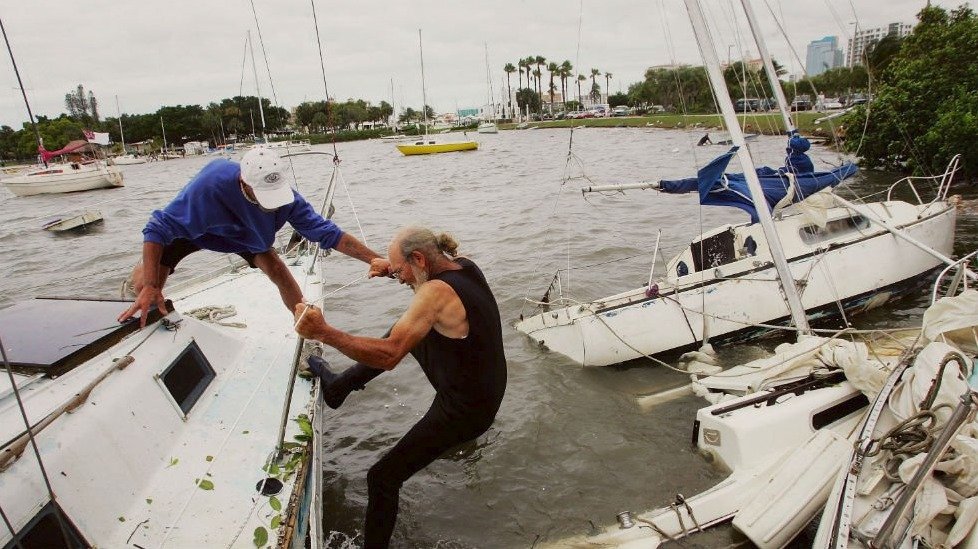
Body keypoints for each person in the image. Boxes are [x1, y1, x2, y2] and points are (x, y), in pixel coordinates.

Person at [293, 227, 507, 548]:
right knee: (404, 327)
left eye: (401, 270)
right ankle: (338, 388)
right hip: (486, 389)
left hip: (465, 411)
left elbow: (390, 356)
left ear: (419, 258)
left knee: (381, 478)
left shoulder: (434, 294)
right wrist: (392, 269)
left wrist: (324, 332)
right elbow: (420, 279)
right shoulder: (464, 265)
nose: (401, 278)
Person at [118, 148, 390, 326]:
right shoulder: (210, 186)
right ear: (243, 182)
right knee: (146, 289)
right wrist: (153, 284)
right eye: (263, 198)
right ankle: (140, 286)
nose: (272, 205)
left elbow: (329, 234)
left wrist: (375, 259)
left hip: (244, 235)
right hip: (195, 229)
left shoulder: (287, 199)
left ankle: (305, 326)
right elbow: (155, 228)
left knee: (278, 269)